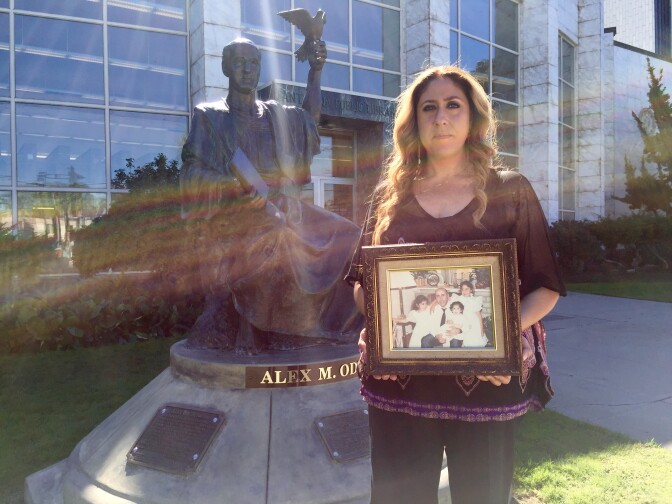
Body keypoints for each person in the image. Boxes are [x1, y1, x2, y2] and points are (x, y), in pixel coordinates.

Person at [346, 65, 566, 503]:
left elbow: (546, 287)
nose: (441, 118)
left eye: (453, 106)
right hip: (400, 385)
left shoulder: (509, 190)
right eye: (428, 108)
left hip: (486, 385)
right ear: (413, 123)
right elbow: (360, 285)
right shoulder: (389, 198)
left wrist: (500, 337)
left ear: (474, 118)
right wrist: (386, 325)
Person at [180, 37, 362, 353]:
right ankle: (266, 329)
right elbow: (192, 173)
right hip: (236, 211)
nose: (247, 70)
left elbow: (310, 121)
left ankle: (333, 326)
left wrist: (315, 73)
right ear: (225, 67)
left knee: (349, 234)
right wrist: (233, 187)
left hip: (279, 203)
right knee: (277, 231)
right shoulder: (209, 116)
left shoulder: (275, 115)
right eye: (239, 62)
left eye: (253, 63)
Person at [453, 280, 488, 347]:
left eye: (466, 289)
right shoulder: (458, 299)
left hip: (474, 323)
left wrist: (482, 329)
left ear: (471, 290)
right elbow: (446, 299)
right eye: (462, 289)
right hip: (464, 322)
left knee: (475, 341)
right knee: (466, 341)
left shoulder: (475, 300)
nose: (464, 291)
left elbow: (479, 316)